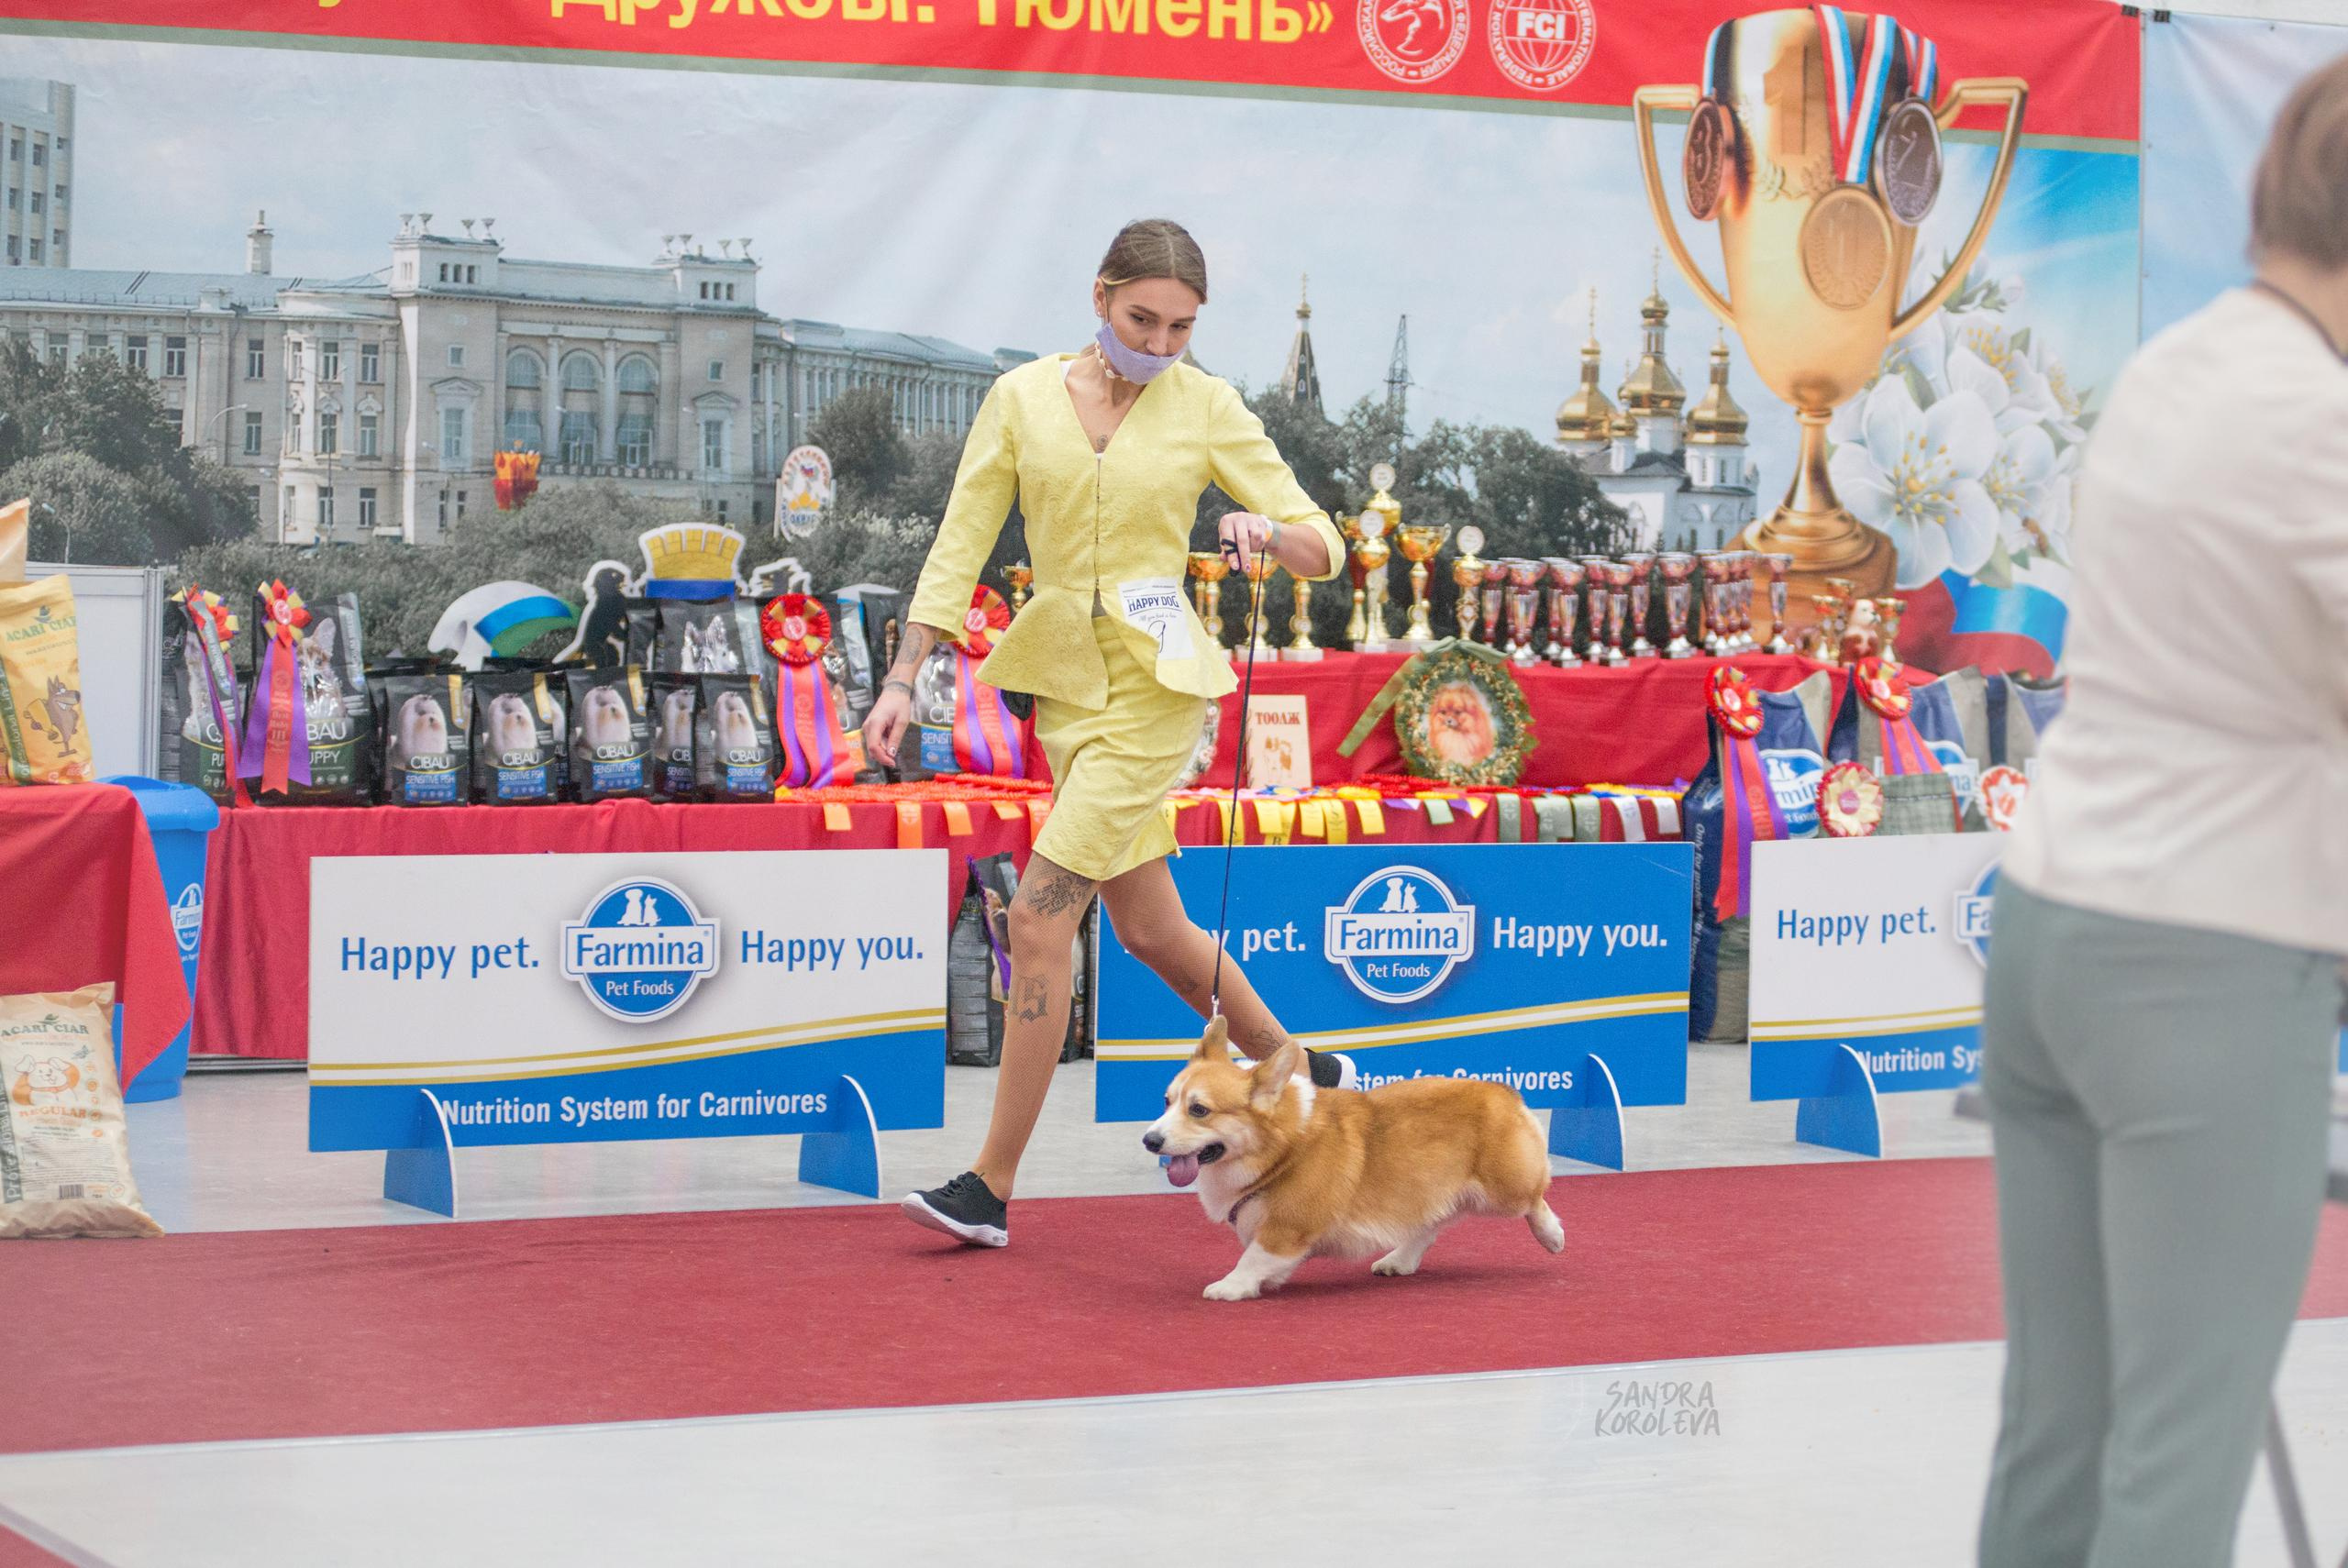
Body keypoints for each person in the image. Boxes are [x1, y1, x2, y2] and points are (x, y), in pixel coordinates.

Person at [1977, 59, 2348, 1568]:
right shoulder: (2315, 419)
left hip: (2059, 930)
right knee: (2181, 1456)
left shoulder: (2183, 365)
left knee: (2063, 1427)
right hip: (2208, 957)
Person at [861, 219, 1354, 1249]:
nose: (1162, 343)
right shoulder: (1021, 398)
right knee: (1151, 932)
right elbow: (958, 545)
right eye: (1143, 319)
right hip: (1063, 697)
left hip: (1157, 692)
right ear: (1100, 296)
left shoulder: (1207, 404)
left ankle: (988, 1187)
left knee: (1039, 923)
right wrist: (905, 673)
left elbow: (1326, 550)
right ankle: (1310, 1076)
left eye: (1181, 327)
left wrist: (1274, 531)